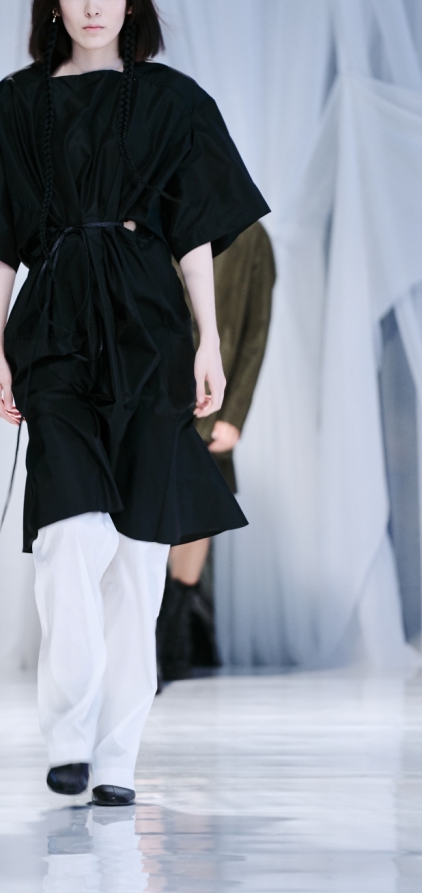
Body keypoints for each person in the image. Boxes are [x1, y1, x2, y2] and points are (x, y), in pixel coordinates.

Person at [0, 0, 270, 807]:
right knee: (69, 538)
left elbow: (193, 232)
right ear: (54, 3)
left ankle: (117, 758)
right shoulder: (15, 105)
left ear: (131, 2)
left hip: (150, 330)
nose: (92, 5)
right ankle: (69, 734)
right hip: (53, 327)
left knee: (140, 555)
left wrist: (208, 340)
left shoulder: (172, 101)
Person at [157, 222, 276, 680]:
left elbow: (256, 331)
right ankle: (154, 634)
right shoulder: (158, 223)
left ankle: (170, 635)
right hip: (157, 388)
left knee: (198, 507)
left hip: (211, 399)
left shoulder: (251, 237)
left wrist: (236, 413)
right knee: (153, 499)